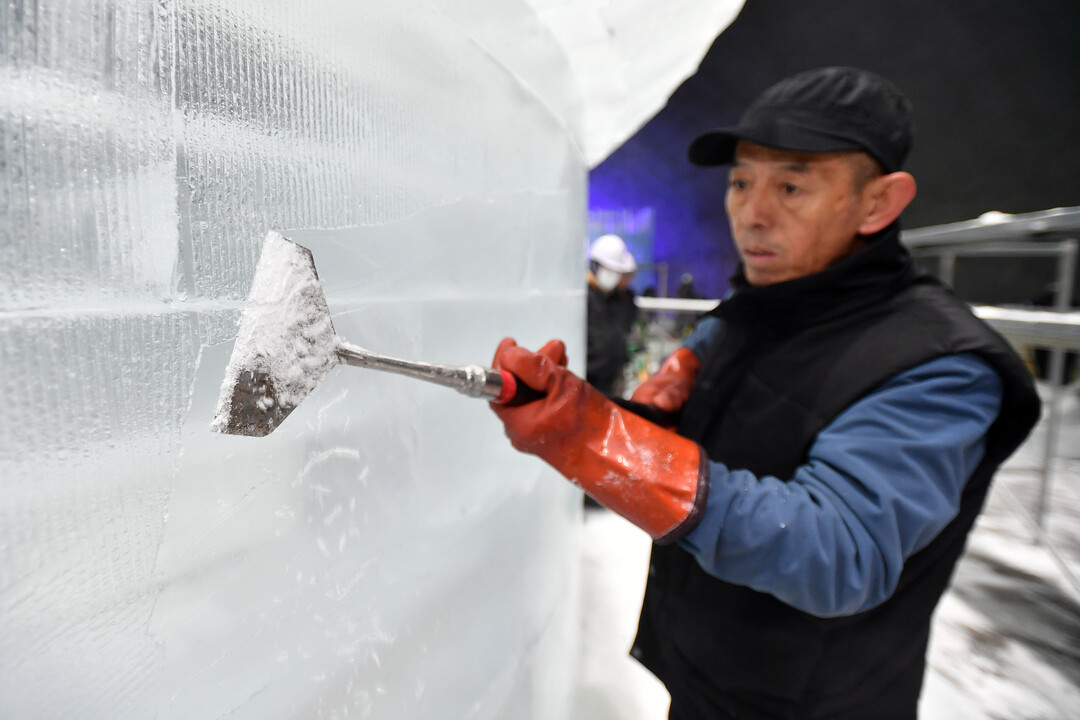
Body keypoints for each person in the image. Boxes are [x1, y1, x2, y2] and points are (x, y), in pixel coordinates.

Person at [490, 67, 1041, 719]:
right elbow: (689, 445)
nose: (751, 214)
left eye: (791, 186)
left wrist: (601, 441)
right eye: (740, 182)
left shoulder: (939, 364)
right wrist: (586, 411)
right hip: (707, 677)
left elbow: (839, 551)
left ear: (879, 203)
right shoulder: (749, 316)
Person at [585, 233, 639, 397]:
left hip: (609, 385)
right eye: (613, 271)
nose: (618, 278)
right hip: (586, 383)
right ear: (596, 266)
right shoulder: (582, 300)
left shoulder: (618, 299)